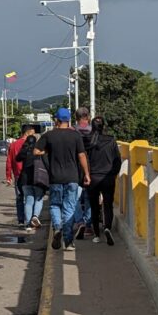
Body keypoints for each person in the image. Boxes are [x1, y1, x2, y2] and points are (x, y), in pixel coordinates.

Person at [34, 108, 90, 251]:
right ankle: (69, 241)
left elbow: (36, 151)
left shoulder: (49, 135)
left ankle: (57, 228)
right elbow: (82, 156)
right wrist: (87, 174)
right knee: (69, 208)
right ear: (69, 120)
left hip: (55, 178)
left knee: (55, 205)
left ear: (56, 120)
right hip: (72, 177)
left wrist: (47, 150)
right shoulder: (75, 136)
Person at [86, 116, 122, 245]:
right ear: (104, 126)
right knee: (108, 204)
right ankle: (107, 227)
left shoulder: (87, 140)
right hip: (107, 177)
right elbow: (117, 160)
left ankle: (96, 234)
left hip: (93, 178)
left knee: (94, 206)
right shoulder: (111, 140)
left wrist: (85, 175)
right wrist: (113, 174)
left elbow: (83, 159)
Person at [6, 124, 35, 227]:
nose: (34, 135)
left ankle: (21, 220)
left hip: (18, 175)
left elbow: (9, 161)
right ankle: (30, 219)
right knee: (30, 197)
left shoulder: (13, 145)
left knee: (19, 198)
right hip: (30, 174)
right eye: (33, 133)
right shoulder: (33, 144)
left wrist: (8, 176)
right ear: (28, 133)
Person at [16, 134, 46, 230]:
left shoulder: (25, 151)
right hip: (38, 178)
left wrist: (25, 147)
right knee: (38, 198)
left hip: (25, 179)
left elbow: (17, 158)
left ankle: (28, 224)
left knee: (28, 201)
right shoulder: (40, 151)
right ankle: (35, 216)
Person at [73, 107, 93, 240]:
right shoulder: (94, 131)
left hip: (75, 169)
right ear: (88, 116)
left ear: (76, 117)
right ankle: (88, 225)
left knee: (74, 198)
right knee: (90, 199)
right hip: (92, 168)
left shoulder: (72, 131)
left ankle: (79, 221)